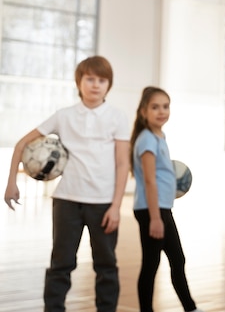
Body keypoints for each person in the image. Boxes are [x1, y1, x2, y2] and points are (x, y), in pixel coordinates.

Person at [3, 55, 130, 312]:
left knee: (106, 266)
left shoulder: (117, 117)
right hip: (67, 201)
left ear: (109, 85)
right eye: (90, 79)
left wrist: (116, 206)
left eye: (102, 80)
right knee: (61, 264)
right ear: (79, 82)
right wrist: (11, 183)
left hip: (103, 203)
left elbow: (122, 164)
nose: (95, 85)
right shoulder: (64, 116)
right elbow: (21, 144)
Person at [130, 86, 203, 312]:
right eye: (155, 107)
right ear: (143, 112)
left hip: (160, 208)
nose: (161, 111)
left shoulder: (159, 136)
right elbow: (150, 181)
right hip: (152, 211)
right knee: (152, 265)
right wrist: (155, 218)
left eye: (165, 106)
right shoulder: (147, 140)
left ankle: (190, 307)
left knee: (176, 260)